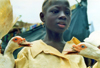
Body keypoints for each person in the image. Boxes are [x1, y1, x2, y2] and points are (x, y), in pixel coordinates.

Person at [14, 0, 99, 68]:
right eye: (55, 11)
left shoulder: (76, 52)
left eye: (67, 13)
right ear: (43, 17)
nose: (63, 16)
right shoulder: (28, 52)